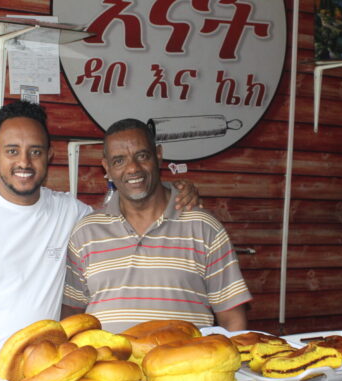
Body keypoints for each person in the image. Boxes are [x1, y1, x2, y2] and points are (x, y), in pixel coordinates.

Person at [0, 101, 201, 369]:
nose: (24, 163)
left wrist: (178, 191)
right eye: (12, 151)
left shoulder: (70, 213)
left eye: (35, 152)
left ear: (49, 155)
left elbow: (130, 210)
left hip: (43, 376)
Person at [63, 118, 252, 334]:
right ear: (106, 167)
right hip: (110, 365)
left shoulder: (203, 227)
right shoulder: (86, 232)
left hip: (184, 366)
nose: (133, 168)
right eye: (119, 161)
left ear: (158, 155)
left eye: (142, 156)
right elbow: (72, 314)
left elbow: (232, 317)